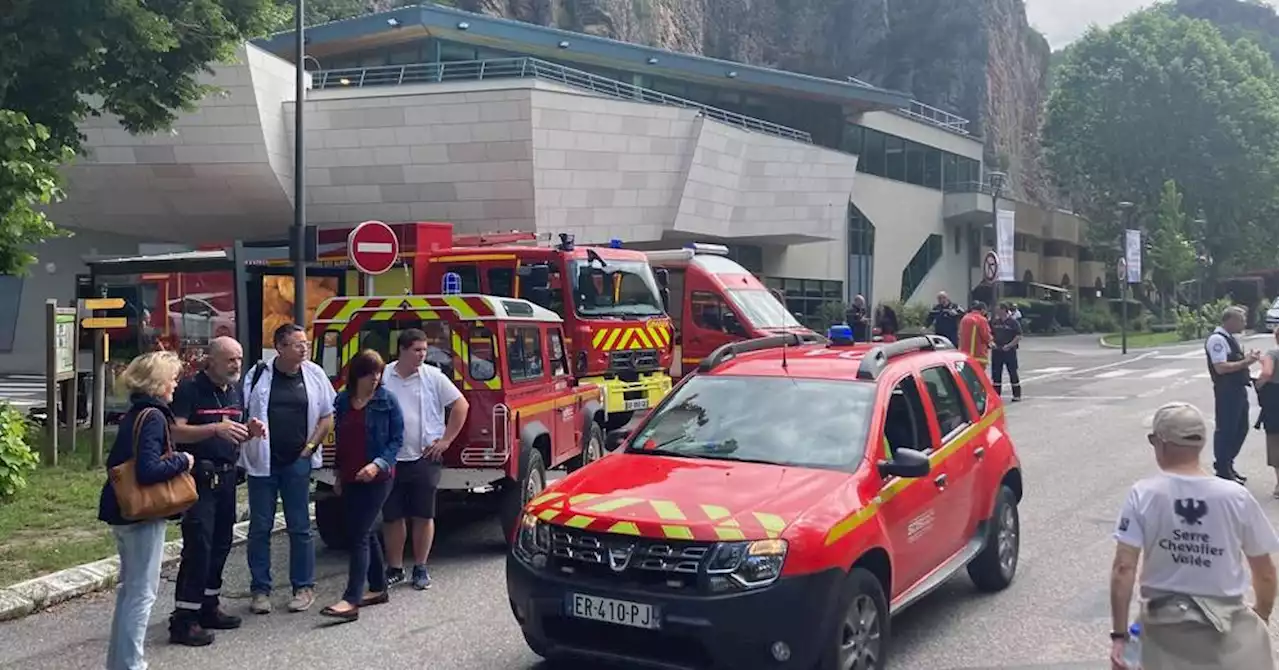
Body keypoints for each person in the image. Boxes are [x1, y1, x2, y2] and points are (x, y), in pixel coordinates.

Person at [1109, 402, 1278, 670]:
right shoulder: (1236, 497)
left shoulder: (1143, 494)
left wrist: (1120, 636)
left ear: (1161, 443)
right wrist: (1261, 615)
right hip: (1226, 632)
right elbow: (1265, 573)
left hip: (1164, 632)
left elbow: (1123, 568)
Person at [98, 351, 196, 670]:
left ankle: (120, 662)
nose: (176, 383)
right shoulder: (154, 416)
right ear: (157, 383)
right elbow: (149, 469)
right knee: (142, 594)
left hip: (122, 511)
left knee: (131, 592)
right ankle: (132, 664)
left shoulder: (135, 413)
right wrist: (184, 461)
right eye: (172, 377)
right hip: (143, 514)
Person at [167, 337, 264, 646]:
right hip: (198, 478)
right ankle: (184, 619)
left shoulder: (233, 390)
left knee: (222, 543)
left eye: (239, 358)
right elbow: (174, 430)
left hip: (226, 477)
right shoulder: (190, 390)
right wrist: (214, 428)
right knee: (199, 546)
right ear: (211, 360)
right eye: (230, 359)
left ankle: (209, 605)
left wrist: (249, 432)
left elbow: (230, 433)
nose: (236, 364)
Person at [241, 323, 336, 614]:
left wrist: (309, 450)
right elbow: (241, 412)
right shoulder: (258, 374)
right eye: (297, 344)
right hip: (263, 462)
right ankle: (260, 590)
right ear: (280, 347)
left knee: (300, 527)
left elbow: (327, 415)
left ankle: (303, 587)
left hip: (298, 462)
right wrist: (250, 429)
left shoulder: (315, 374)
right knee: (260, 527)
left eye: (305, 343)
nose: (304, 348)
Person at [381, 328, 469, 590]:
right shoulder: (384, 376)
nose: (422, 355)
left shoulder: (432, 376)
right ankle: (395, 568)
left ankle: (421, 567)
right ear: (403, 350)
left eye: (424, 350)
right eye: (417, 350)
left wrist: (446, 441)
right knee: (392, 516)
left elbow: (461, 405)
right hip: (391, 457)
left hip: (424, 456)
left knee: (423, 514)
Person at [320, 350, 403, 622]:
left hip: (379, 478)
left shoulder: (387, 401)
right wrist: (339, 475)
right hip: (351, 475)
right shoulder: (343, 400)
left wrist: (378, 464)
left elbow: (396, 440)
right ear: (357, 374)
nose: (375, 379)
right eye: (370, 374)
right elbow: (342, 440)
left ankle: (351, 600)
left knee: (358, 534)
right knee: (364, 532)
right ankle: (378, 588)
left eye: (379, 374)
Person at [1204, 306, 1260, 483]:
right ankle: (1222, 468)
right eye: (1241, 320)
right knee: (1227, 429)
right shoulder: (1217, 340)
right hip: (1226, 390)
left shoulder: (1230, 339)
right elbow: (1220, 368)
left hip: (1237, 388)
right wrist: (1246, 362)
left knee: (1241, 428)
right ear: (1231, 321)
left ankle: (1228, 463)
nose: (1244, 323)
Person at [1253, 327, 1280, 498]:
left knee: (1276, 441)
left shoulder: (1273, 353)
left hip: (1276, 401)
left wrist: (1259, 385)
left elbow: (1268, 372)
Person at [990, 303, 1023, 402]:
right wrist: (991, 342)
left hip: (1009, 351)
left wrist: (1009, 345)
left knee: (1012, 371)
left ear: (1004, 310)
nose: (997, 312)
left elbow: (1018, 336)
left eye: (998, 309)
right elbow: (989, 333)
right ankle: (996, 395)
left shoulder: (1013, 322)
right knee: (996, 373)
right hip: (997, 351)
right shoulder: (994, 322)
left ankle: (1016, 395)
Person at [958, 301, 993, 369]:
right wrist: (991, 340)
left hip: (964, 354)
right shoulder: (981, 319)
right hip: (978, 354)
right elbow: (986, 335)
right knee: (978, 376)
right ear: (982, 310)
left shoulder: (964, 318)